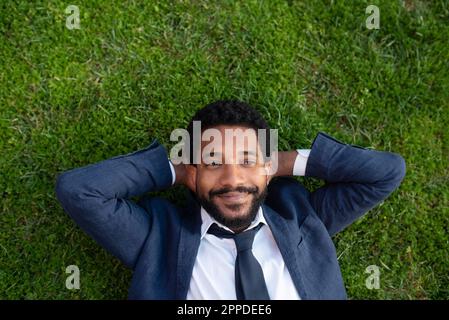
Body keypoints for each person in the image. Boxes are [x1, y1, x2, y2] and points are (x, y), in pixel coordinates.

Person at [55, 100, 406, 299]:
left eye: (247, 161)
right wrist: (175, 171)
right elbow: (80, 190)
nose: (232, 179)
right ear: (195, 174)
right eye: (212, 163)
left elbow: (386, 171)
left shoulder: (303, 217)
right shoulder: (158, 237)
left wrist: (279, 162)